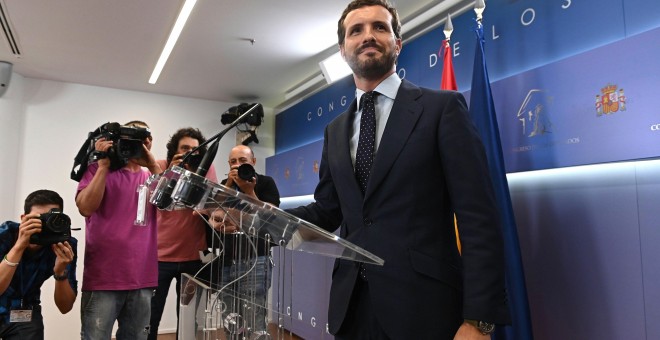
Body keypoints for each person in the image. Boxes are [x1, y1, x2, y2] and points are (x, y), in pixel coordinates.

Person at [285, 1, 510, 339]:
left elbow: (479, 218)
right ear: (343, 49)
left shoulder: (441, 109)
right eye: (356, 30)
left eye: (380, 27)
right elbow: (328, 209)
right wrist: (260, 215)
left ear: (398, 43)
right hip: (351, 308)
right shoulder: (334, 130)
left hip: (425, 308)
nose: (368, 36)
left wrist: (479, 320)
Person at [76, 120, 162, 340]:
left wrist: (152, 165)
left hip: (142, 277)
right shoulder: (99, 169)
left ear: (149, 143)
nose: (138, 145)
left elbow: (170, 206)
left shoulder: (153, 177)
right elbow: (85, 207)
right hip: (104, 276)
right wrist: (103, 166)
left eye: (143, 139)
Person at [148, 127, 218, 340]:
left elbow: (209, 205)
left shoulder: (206, 169)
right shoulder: (160, 166)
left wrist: (195, 175)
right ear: (174, 150)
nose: (190, 152)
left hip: (193, 258)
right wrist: (171, 172)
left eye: (195, 150)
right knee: (150, 317)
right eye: (185, 148)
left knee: (188, 321)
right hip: (158, 258)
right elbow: (151, 199)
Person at [207, 144, 280, 338]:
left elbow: (269, 216)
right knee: (230, 319)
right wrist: (229, 185)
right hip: (226, 260)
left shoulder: (265, 182)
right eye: (233, 162)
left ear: (253, 162)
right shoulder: (225, 185)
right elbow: (211, 212)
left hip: (256, 260)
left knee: (255, 319)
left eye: (243, 161)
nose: (237, 166)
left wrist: (250, 191)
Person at [0, 189, 77, 339]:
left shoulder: (64, 244)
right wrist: (19, 246)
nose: (43, 225)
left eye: (50, 219)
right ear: (23, 219)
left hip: (25, 311)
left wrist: (60, 272)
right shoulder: (5, 235)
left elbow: (65, 307)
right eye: (38, 219)